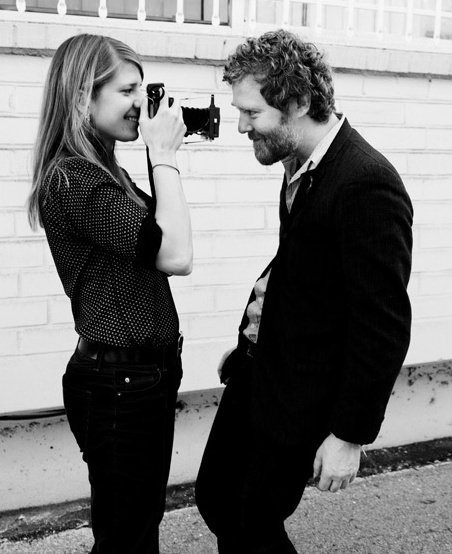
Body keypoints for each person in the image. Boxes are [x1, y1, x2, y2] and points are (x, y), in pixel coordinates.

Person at [195, 29, 413, 554]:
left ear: (296, 103)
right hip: (262, 370)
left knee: (250, 522)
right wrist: (254, 337)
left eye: (251, 113)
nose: (241, 126)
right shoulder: (302, 163)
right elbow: (304, 268)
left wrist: (349, 435)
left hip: (304, 394)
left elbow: (382, 323)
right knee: (216, 497)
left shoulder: (365, 182)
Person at [27, 34, 192, 554]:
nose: (141, 103)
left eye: (143, 89)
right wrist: (163, 155)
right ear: (82, 95)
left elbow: (166, 236)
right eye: (127, 90)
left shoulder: (106, 171)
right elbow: (176, 255)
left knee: (136, 527)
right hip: (120, 384)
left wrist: (158, 157)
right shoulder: (74, 179)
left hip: (142, 376)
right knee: (127, 538)